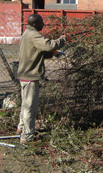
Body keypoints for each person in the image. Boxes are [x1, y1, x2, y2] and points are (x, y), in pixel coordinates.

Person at [17, 14, 69, 144]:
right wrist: (64, 39)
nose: (43, 25)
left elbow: (38, 51)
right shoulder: (33, 34)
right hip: (30, 75)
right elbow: (48, 45)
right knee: (30, 107)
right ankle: (27, 136)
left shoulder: (27, 33)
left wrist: (53, 53)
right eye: (41, 22)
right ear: (35, 24)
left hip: (25, 74)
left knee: (25, 104)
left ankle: (21, 128)